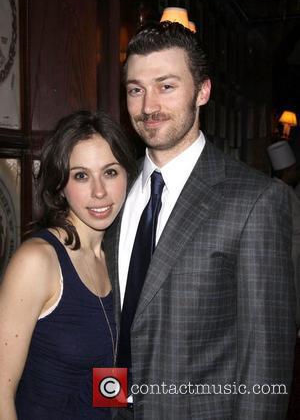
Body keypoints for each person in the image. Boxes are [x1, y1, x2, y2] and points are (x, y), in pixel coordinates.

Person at [104, 22, 296, 419]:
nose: (148, 106)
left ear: (202, 91)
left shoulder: (256, 200)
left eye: (166, 86)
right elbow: (118, 327)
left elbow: (267, 359)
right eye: (135, 89)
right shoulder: (112, 194)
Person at [0, 110, 136, 420]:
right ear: (60, 184)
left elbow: (104, 375)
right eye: (81, 175)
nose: (99, 191)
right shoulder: (38, 261)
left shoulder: (117, 257)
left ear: (128, 175)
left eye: (110, 172)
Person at [267, 140, 300, 330]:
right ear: (286, 171)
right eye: (294, 169)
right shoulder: (277, 191)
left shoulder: (289, 190)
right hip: (289, 253)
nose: (297, 172)